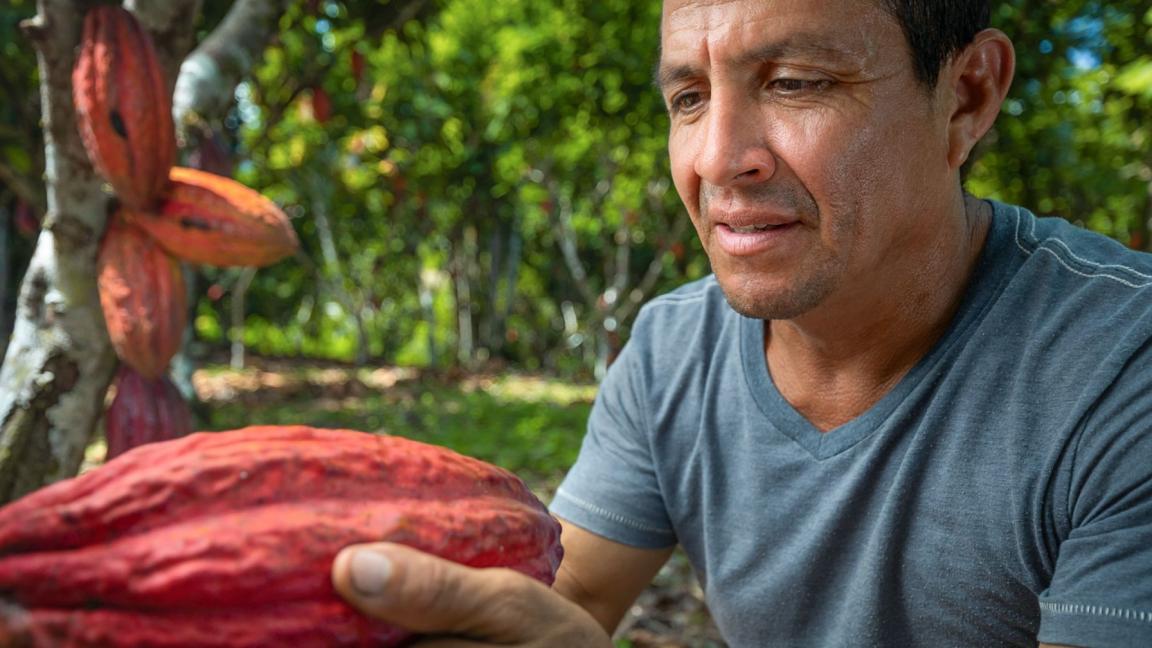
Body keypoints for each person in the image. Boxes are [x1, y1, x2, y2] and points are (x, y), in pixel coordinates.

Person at [331, 0, 1152, 645]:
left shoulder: (1120, 363)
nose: (718, 159)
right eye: (688, 97)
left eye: (796, 81)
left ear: (966, 95)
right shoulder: (671, 352)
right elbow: (570, 595)